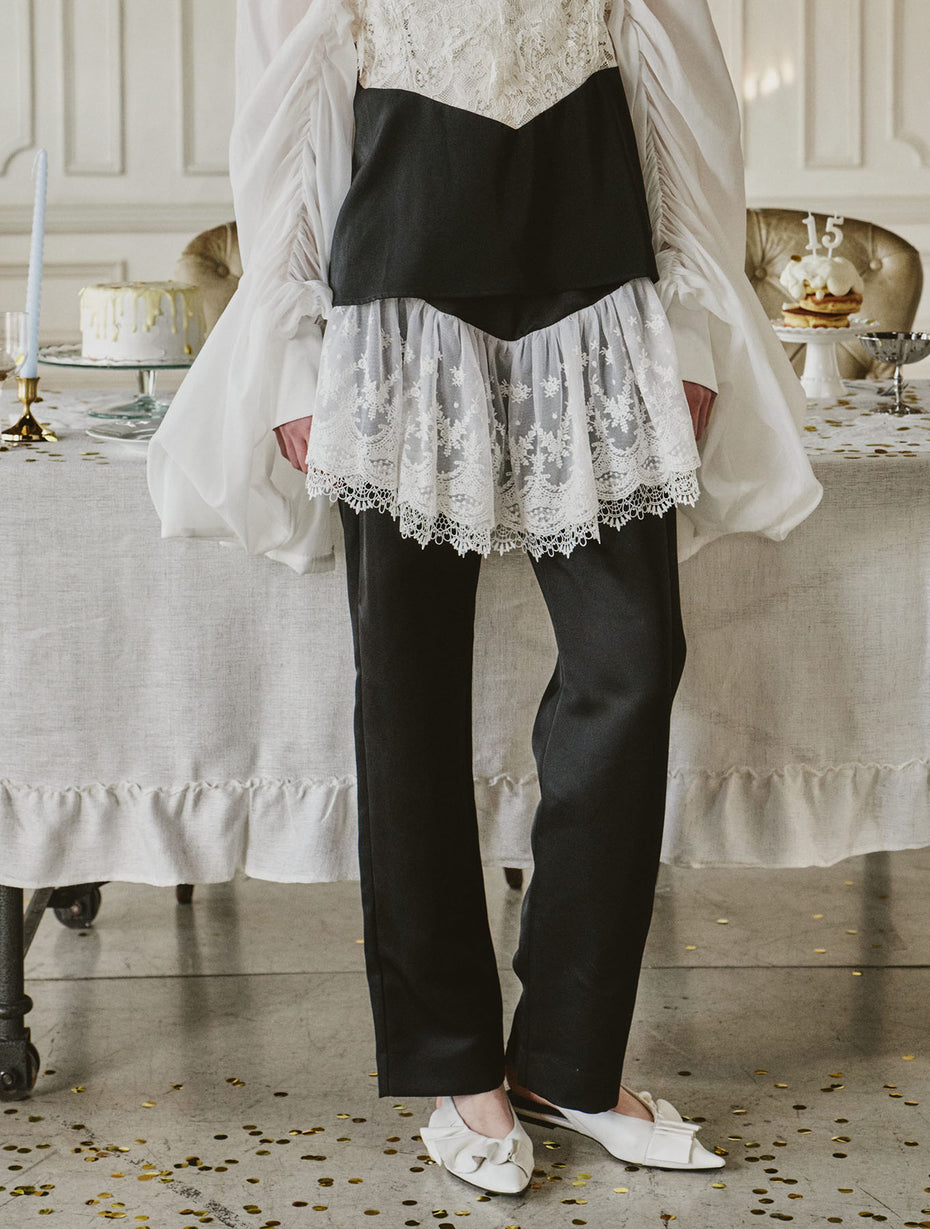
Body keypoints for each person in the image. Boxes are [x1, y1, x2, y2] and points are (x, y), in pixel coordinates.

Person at [148, 0, 822, 1197]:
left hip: (602, 308)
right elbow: (282, 123)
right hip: (393, 317)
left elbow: (687, 113)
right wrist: (294, 360)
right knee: (405, 692)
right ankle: (456, 1063)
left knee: (630, 660)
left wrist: (690, 337)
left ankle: (569, 1056)